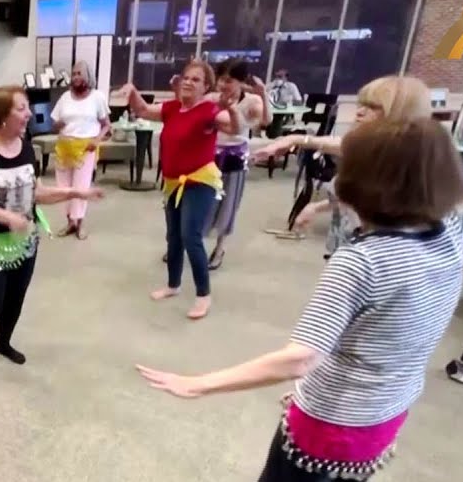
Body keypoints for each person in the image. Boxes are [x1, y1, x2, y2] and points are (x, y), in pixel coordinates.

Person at [136, 118, 463, 482]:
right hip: (385, 417)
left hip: (329, 422)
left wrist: (200, 383)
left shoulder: (363, 261)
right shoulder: (453, 229)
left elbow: (301, 358)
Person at [0, 86, 105, 379]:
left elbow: (36, 193)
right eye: (21, 108)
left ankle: (3, 343)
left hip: (24, 239)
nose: (29, 114)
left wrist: (76, 192)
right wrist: (5, 216)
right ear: (2, 115)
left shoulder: (26, 147)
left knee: (16, 297)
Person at [256, 75, 432, 257]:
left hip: (370, 254)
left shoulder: (398, 165)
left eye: (373, 107)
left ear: (399, 114)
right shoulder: (374, 150)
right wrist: (317, 207)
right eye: (362, 104)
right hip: (346, 243)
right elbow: (345, 149)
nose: (360, 112)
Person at [120, 61, 241, 320]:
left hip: (200, 181)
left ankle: (203, 295)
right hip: (174, 182)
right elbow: (142, 109)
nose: (188, 82)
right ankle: (173, 285)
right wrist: (132, 91)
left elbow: (235, 128)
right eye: (186, 77)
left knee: (190, 235)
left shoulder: (209, 111)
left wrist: (230, 109)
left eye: (196, 80)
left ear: (206, 87)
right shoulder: (172, 108)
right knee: (173, 236)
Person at [205, 58, 270, 269]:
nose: (223, 84)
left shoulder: (251, 101)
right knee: (200, 202)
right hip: (208, 156)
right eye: (220, 79)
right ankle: (187, 242)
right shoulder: (212, 98)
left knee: (228, 204)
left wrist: (263, 94)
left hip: (234, 158)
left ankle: (220, 248)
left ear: (241, 81)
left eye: (229, 80)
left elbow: (264, 122)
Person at [49, 60, 111, 240]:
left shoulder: (97, 97)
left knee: (81, 187)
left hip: (85, 148)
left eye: (79, 74)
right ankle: (70, 222)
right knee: (64, 188)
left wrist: (97, 140)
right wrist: (58, 124)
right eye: (74, 73)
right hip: (64, 147)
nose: (76, 77)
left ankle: (80, 223)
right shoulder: (65, 97)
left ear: (88, 76)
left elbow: (107, 125)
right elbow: (54, 124)